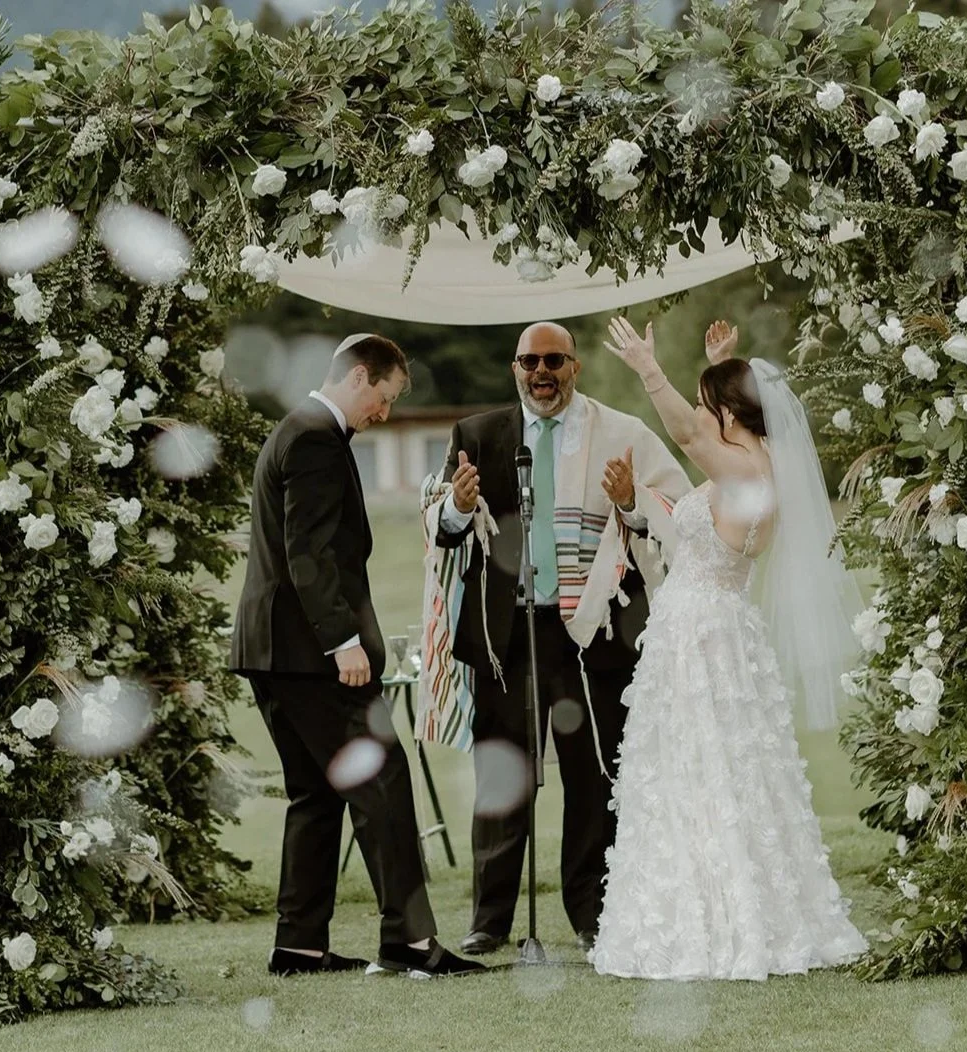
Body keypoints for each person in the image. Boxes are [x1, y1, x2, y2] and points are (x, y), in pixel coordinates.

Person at [590, 317, 868, 981]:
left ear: (725, 413)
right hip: (718, 630)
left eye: (708, 400)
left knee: (700, 770)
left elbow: (686, 432)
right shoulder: (754, 467)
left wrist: (645, 366)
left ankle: (712, 925)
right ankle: (744, 907)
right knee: (724, 771)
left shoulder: (743, 471)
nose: (699, 413)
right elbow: (704, 436)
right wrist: (722, 363)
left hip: (698, 636)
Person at [419, 321, 691, 955]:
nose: (541, 372)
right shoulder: (476, 435)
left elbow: (678, 509)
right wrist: (459, 506)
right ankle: (489, 920)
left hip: (592, 633)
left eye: (554, 361)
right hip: (505, 636)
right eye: (529, 361)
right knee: (501, 775)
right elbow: (442, 525)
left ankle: (593, 913)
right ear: (514, 368)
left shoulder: (622, 433)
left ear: (576, 367)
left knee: (592, 776)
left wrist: (629, 502)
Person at [230, 333, 483, 978]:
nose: (385, 414)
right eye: (387, 398)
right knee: (384, 783)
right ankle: (409, 943)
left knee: (316, 794)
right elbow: (306, 553)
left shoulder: (297, 428)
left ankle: (299, 947)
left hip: (274, 652)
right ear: (361, 376)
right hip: (311, 653)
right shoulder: (315, 436)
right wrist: (342, 642)